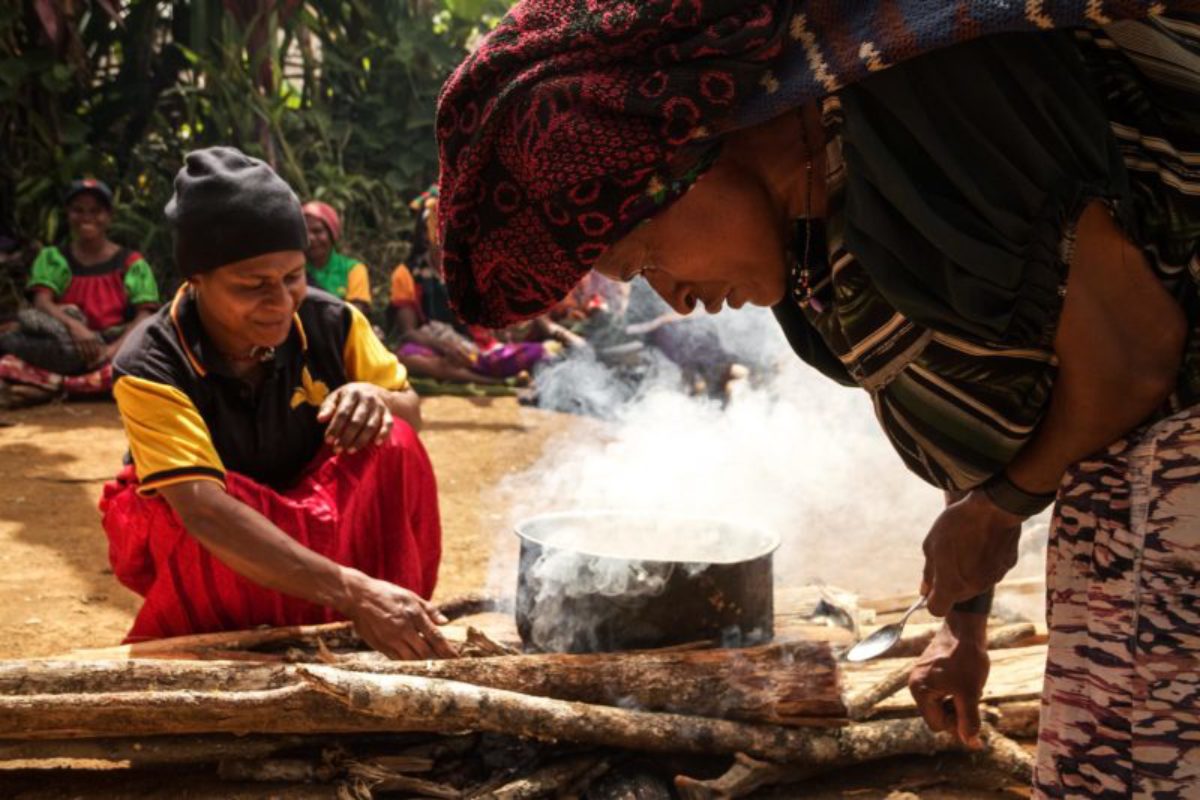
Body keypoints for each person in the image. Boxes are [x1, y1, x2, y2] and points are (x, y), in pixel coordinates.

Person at [435, 3, 1200, 796]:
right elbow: (1000, 381)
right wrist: (963, 626)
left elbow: (1136, 352)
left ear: (698, 159)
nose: (676, 297)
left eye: (649, 257)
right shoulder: (810, 246)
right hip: (1123, 521)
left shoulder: (923, 107)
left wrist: (1002, 508)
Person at [100, 147, 452, 661]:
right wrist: (354, 591)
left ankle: (392, 626)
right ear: (196, 279)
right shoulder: (152, 363)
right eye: (254, 286)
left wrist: (376, 397)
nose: (283, 302)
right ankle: (240, 641)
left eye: (292, 277)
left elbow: (412, 409)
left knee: (395, 440)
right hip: (225, 529)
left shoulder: (335, 322)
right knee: (167, 506)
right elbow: (204, 512)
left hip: (313, 509)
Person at [0, 179, 159, 406]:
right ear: (69, 214)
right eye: (79, 210)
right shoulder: (54, 257)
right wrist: (76, 328)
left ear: (109, 216)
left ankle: (54, 385)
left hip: (112, 342)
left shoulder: (131, 262)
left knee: (148, 356)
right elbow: (42, 302)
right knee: (34, 337)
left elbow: (145, 314)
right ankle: (85, 385)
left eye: (96, 211)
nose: (87, 217)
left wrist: (113, 350)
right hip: (68, 341)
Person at [302, 200, 373, 316]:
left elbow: (354, 316)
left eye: (317, 231)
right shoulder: (293, 271)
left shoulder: (353, 270)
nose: (310, 238)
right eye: (305, 232)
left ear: (332, 234)